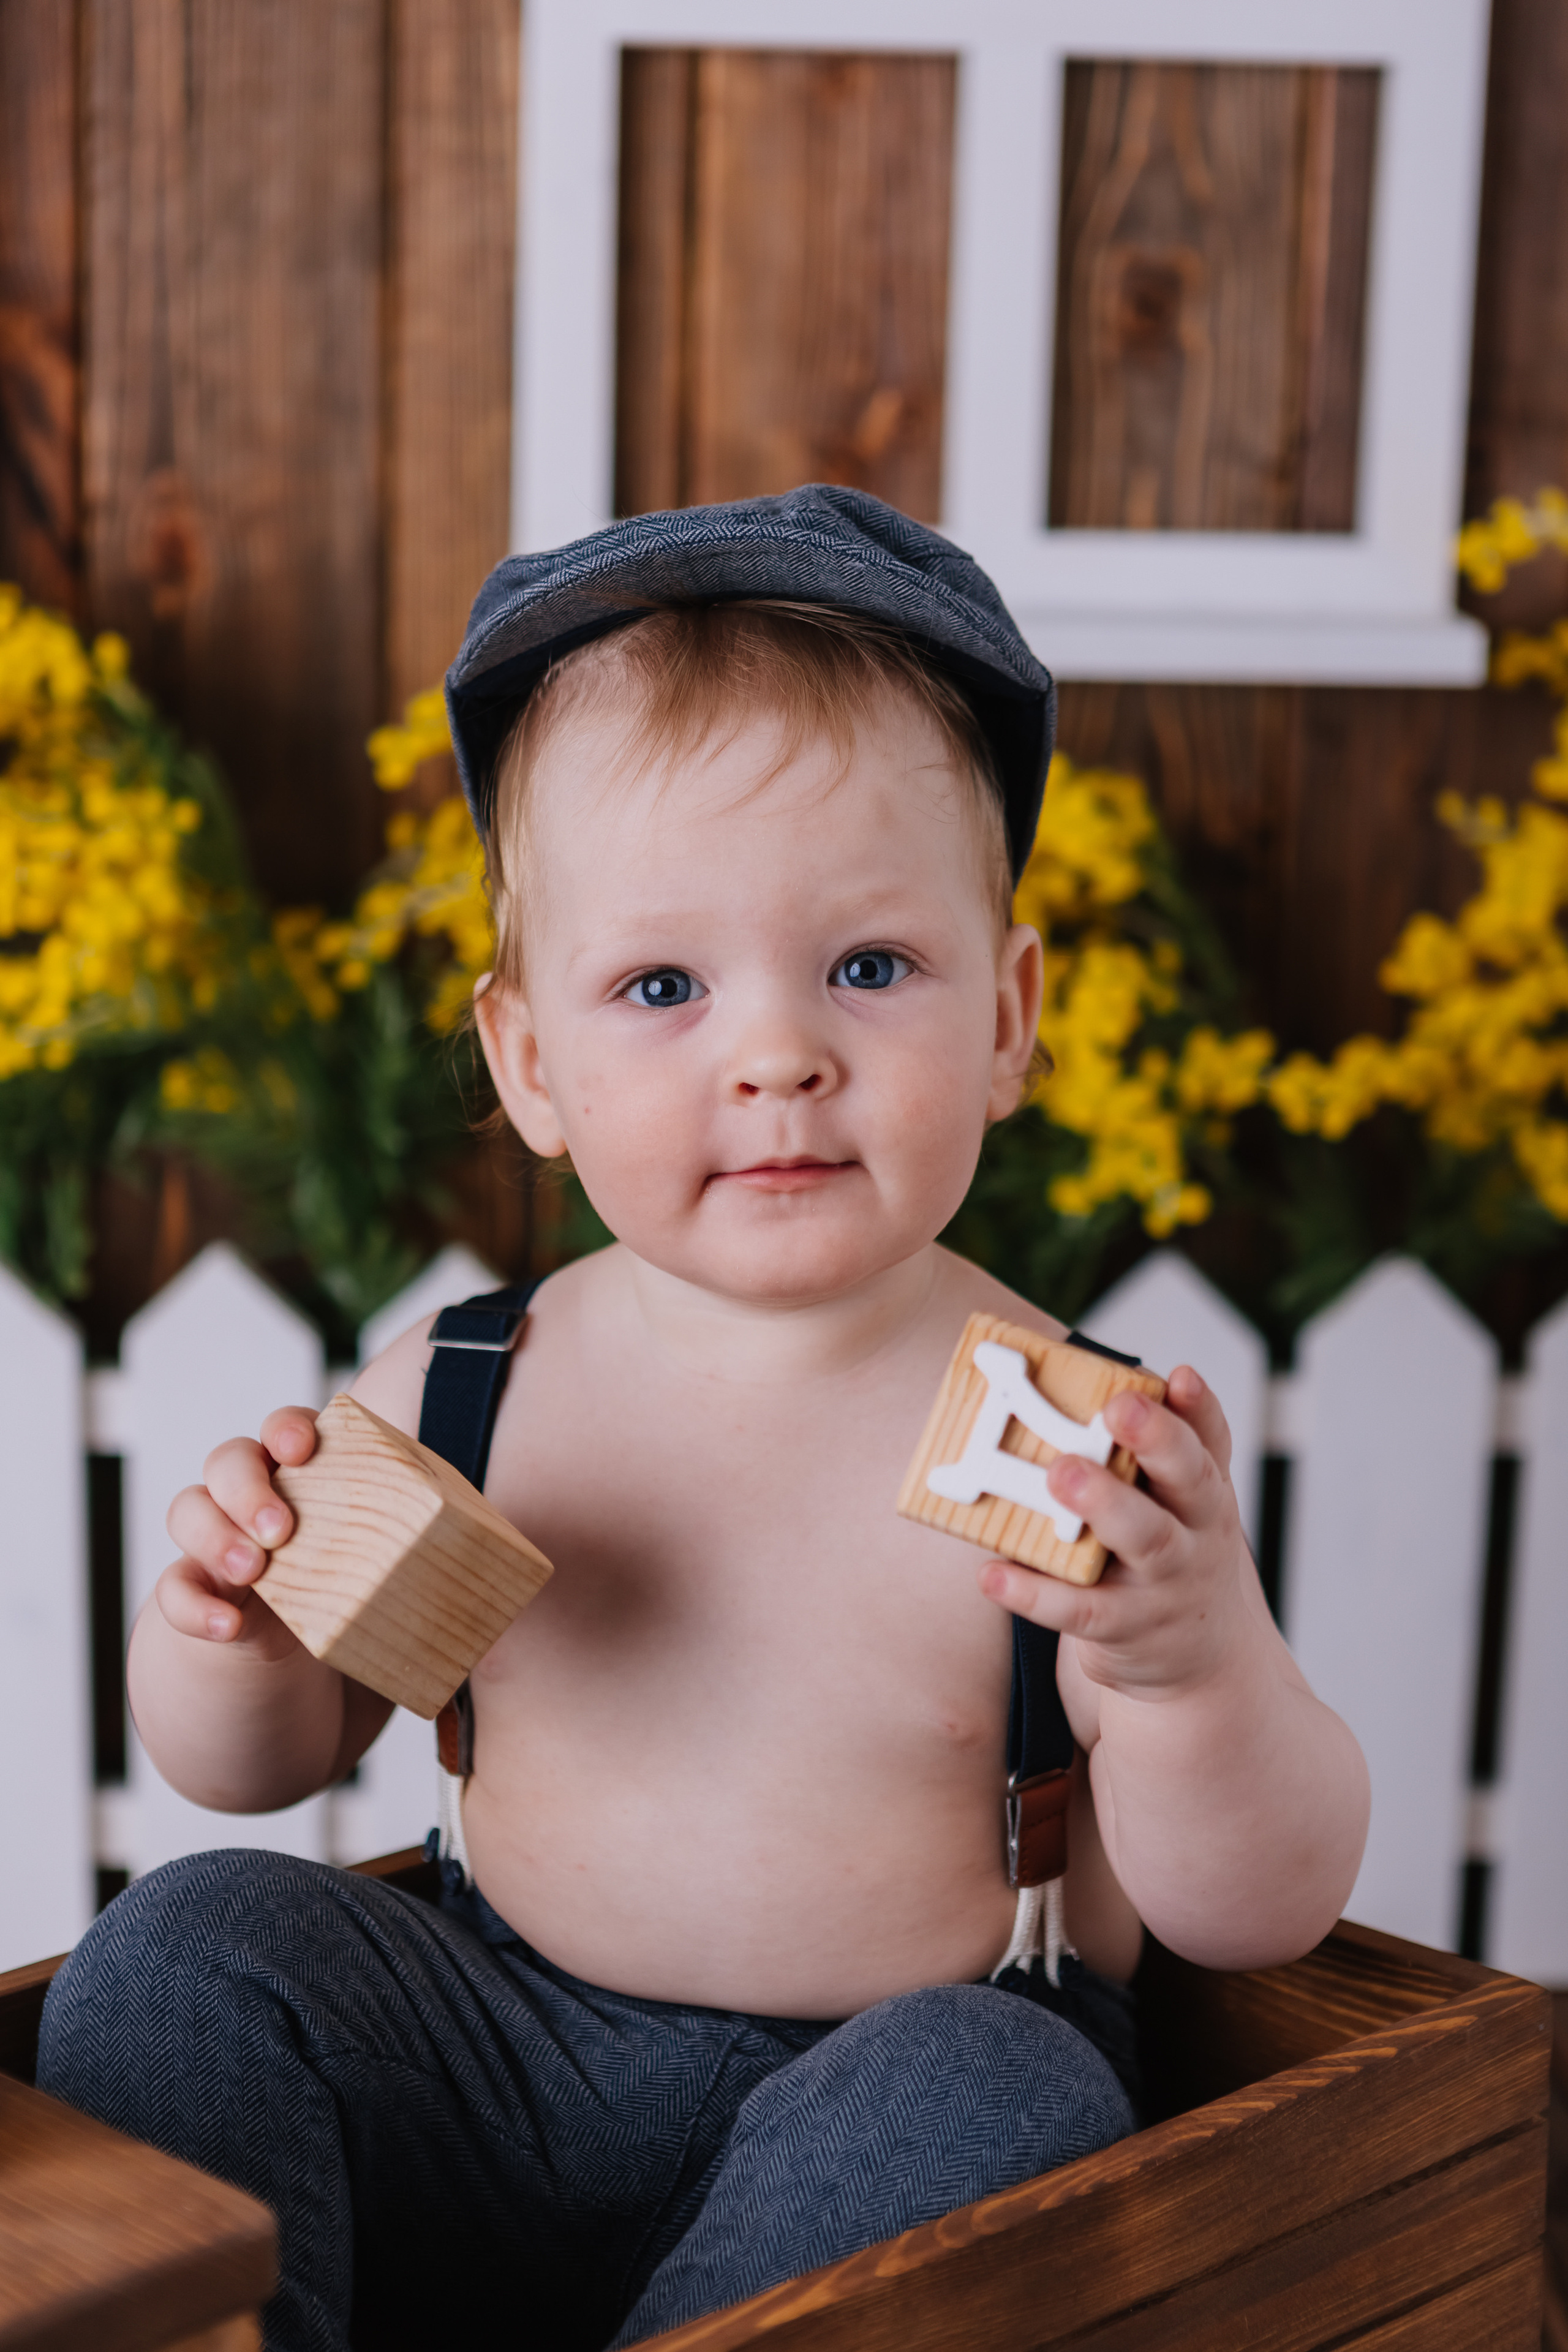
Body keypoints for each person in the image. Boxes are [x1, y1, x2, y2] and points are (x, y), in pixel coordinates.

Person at [39, 488, 1369, 2352]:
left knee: (1007, 2094)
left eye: (870, 968)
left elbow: (1263, 1912)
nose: (776, 1053)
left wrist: (1184, 1666)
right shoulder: (465, 1387)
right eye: (662, 986)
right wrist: (234, 1630)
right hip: (497, 2058)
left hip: (880, 2111)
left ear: (1008, 1014)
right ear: (531, 1065)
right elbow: (256, 1764)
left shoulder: (1069, 1437)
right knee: (183, 1953)